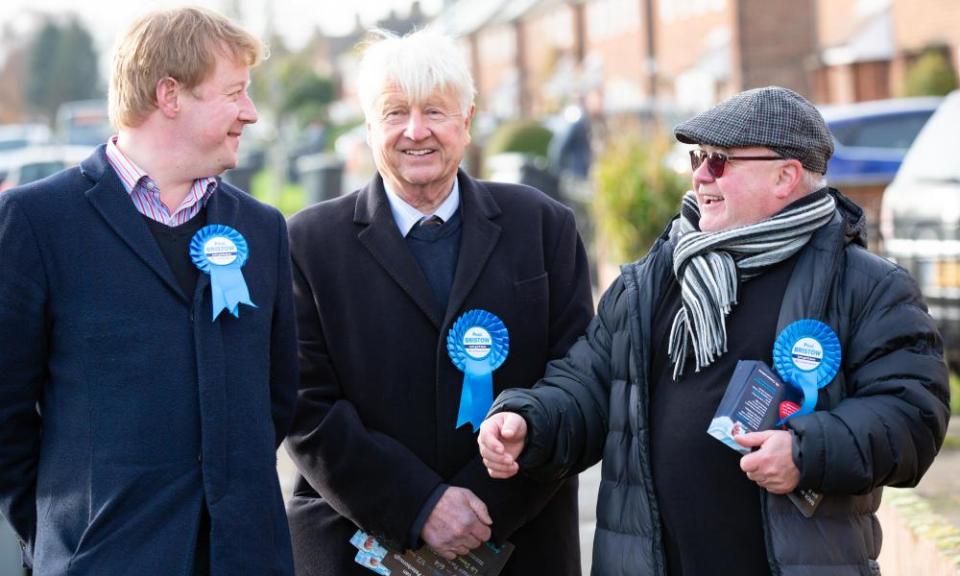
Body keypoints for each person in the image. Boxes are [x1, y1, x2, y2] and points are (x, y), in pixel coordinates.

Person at [478, 86, 951, 575]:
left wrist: (806, 451)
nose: (701, 174)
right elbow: (589, 386)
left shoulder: (867, 286)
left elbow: (913, 414)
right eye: (698, 157)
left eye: (721, 161)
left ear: (786, 176)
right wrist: (530, 422)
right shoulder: (651, 281)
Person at [0, 7, 298, 575]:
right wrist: (59, 534)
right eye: (234, 92)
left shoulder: (263, 229)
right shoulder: (36, 221)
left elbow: (276, 399)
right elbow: (6, 416)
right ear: (170, 95)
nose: (251, 113)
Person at [284, 29, 593, 576]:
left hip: (520, 542)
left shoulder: (543, 227)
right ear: (370, 126)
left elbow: (580, 380)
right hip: (359, 548)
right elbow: (306, 407)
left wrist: (479, 510)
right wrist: (419, 506)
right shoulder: (307, 243)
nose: (416, 130)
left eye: (435, 111)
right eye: (395, 112)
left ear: (467, 122)